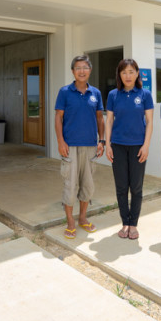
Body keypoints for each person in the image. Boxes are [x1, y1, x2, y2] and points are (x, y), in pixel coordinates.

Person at [55, 55, 105, 239]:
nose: (82, 71)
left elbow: (100, 118)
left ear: (90, 70)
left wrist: (102, 141)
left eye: (85, 67)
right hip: (70, 146)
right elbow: (58, 118)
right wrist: (60, 141)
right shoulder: (65, 92)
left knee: (88, 185)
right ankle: (70, 221)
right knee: (70, 184)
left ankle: (83, 218)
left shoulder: (96, 93)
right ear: (73, 71)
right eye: (78, 68)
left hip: (90, 146)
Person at [105, 59, 154, 240]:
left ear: (137, 73)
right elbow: (109, 121)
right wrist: (108, 144)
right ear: (119, 74)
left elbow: (149, 122)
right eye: (124, 72)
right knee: (121, 187)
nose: (128, 75)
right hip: (117, 145)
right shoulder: (113, 95)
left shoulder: (145, 94)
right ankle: (124, 222)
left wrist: (146, 145)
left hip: (137, 147)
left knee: (136, 187)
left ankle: (133, 224)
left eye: (131, 71)